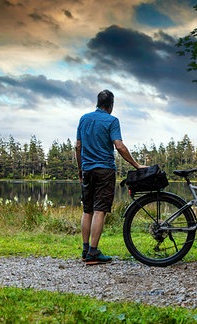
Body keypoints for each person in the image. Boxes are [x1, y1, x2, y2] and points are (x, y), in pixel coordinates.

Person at [75, 89, 143, 265]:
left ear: (98, 103)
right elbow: (119, 146)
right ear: (111, 105)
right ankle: (93, 253)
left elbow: (78, 147)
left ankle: (85, 249)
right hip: (105, 170)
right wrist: (136, 165)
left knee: (87, 210)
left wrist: (81, 169)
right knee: (100, 210)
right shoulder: (112, 120)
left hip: (87, 169)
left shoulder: (84, 119)